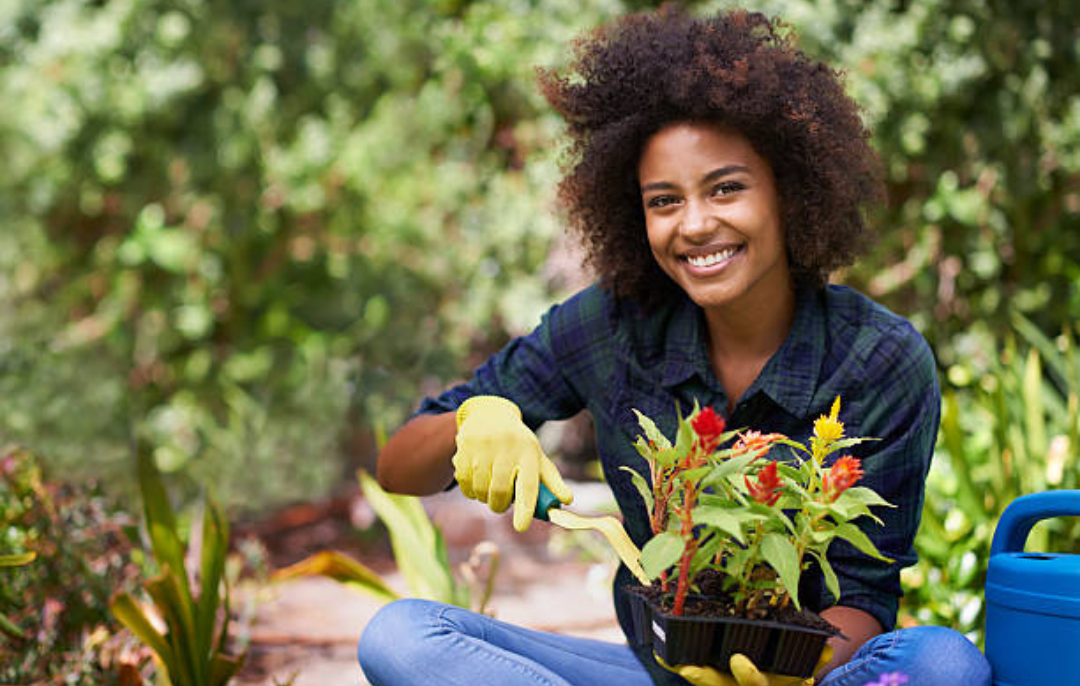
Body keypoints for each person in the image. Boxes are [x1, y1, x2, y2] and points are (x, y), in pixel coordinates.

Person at [358, 6, 992, 686]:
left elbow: (866, 598)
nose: (694, 224)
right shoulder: (610, 326)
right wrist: (471, 421)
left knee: (943, 664)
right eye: (664, 201)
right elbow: (399, 467)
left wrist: (784, 673)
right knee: (402, 635)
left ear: (788, 190)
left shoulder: (881, 359)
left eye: (726, 188)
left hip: (807, 680)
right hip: (654, 677)